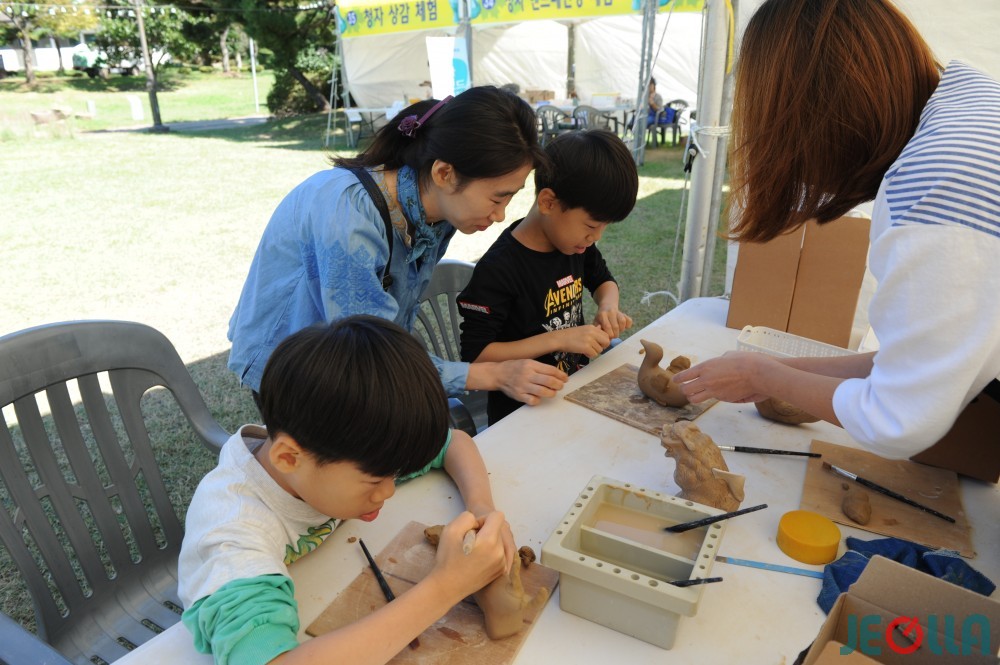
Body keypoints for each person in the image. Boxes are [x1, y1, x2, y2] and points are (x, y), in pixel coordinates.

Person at [673, 0, 1000, 460]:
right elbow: (910, 365)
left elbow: (897, 418)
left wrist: (762, 376)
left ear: (816, 119)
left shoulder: (937, 181)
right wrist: (774, 369)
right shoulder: (971, 106)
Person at [180, 315, 515, 664]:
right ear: (288, 458)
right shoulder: (231, 538)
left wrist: (481, 507)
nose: (388, 491)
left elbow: (454, 443)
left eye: (394, 474)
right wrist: (446, 587)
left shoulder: (338, 449)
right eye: (375, 481)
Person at [227, 85, 568, 412]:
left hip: (356, 364)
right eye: (497, 198)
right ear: (444, 173)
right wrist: (494, 375)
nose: (501, 215)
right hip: (292, 370)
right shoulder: (349, 217)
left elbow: (391, 332)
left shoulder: (440, 213)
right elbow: (369, 351)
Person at [457, 129, 638, 424]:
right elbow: (477, 355)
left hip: (572, 392)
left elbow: (603, 280)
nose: (596, 237)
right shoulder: (499, 268)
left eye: (605, 227)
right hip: (521, 413)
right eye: (591, 225)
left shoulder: (575, 245)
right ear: (548, 203)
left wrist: (608, 306)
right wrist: (560, 339)